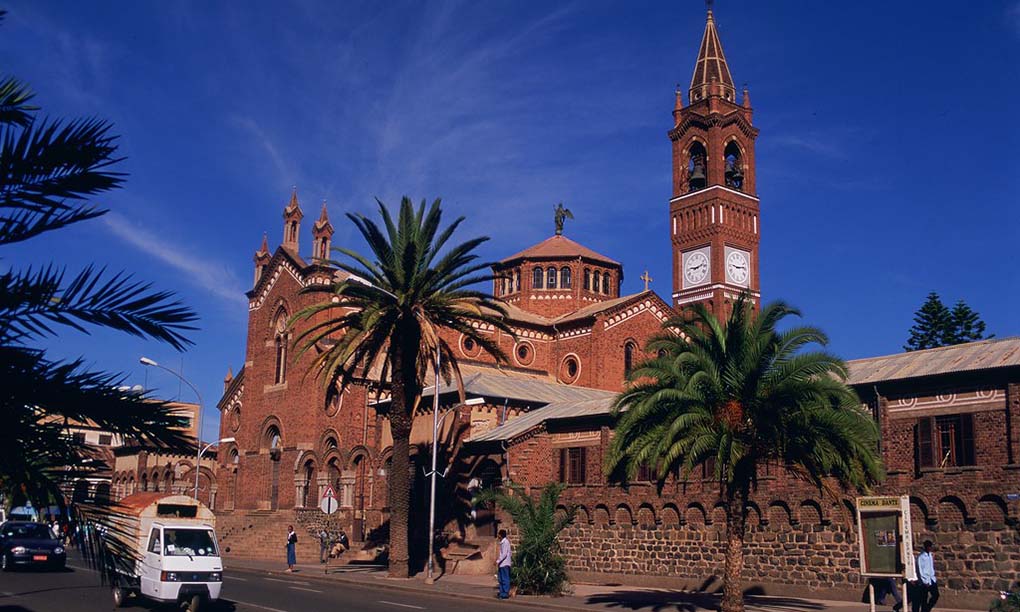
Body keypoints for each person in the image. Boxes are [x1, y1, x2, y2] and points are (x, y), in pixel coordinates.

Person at [913, 540, 939, 612]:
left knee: (936, 595)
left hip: (931, 579)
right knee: (924, 598)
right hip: (925, 580)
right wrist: (924, 581)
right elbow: (920, 570)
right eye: (929, 547)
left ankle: (927, 609)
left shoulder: (930, 555)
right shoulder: (921, 557)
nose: (930, 548)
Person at [496, 529, 511, 600]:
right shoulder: (502, 542)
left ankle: (505, 593)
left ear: (501, 535)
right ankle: (502, 592)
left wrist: (497, 561)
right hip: (501, 564)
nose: (498, 535)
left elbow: (504, 554)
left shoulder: (506, 542)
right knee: (501, 579)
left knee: (505, 578)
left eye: (498, 534)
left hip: (505, 563)